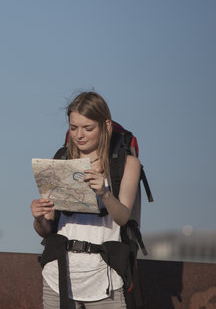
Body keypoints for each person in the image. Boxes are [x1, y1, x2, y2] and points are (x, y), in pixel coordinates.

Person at [31, 91, 141, 309]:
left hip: (104, 278)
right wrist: (39, 217)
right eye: (73, 128)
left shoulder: (126, 164)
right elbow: (47, 229)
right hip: (58, 276)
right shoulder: (61, 159)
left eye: (88, 128)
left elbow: (122, 218)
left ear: (106, 125)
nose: (79, 135)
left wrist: (104, 193)